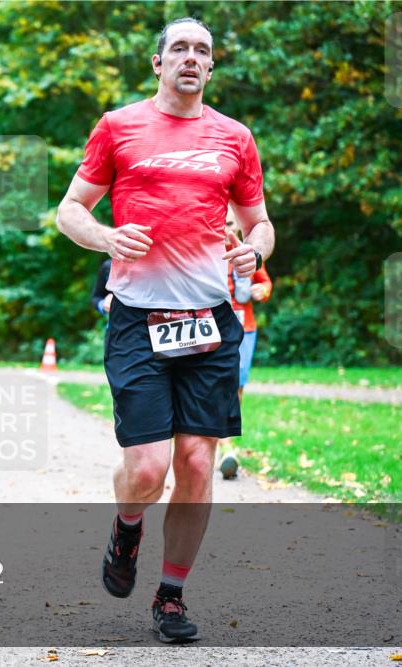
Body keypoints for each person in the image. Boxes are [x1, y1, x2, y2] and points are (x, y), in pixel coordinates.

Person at [55, 17, 275, 643]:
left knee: (199, 463)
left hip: (209, 318)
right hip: (138, 316)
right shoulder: (118, 127)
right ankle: (128, 527)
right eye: (178, 48)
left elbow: (261, 225)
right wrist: (104, 236)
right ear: (158, 63)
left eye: (201, 51)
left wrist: (252, 252)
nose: (190, 58)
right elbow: (70, 209)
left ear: (211, 67)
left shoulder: (235, 138)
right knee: (149, 469)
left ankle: (171, 595)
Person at [217, 210, 273, 479]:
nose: (226, 230)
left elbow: (264, 283)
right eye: (221, 224)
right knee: (215, 385)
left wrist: (261, 291)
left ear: (239, 225)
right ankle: (225, 446)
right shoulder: (208, 254)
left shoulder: (249, 253)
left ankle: (221, 440)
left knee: (236, 388)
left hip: (244, 330)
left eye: (229, 224)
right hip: (212, 330)